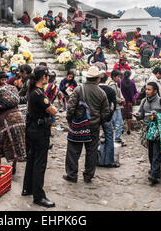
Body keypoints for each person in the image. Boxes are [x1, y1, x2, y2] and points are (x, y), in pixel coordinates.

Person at [64, 66, 110, 183]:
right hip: (93, 127)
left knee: (73, 151)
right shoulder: (101, 93)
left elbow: (70, 107)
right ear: (98, 79)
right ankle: (88, 176)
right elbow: (106, 112)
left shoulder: (79, 90)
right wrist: (99, 122)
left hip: (78, 125)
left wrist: (70, 120)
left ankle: (72, 175)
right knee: (92, 152)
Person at [22, 65, 57, 208]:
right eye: (47, 76)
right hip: (39, 131)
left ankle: (27, 188)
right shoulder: (39, 93)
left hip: (31, 129)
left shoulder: (32, 90)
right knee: (39, 163)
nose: (48, 78)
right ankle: (38, 196)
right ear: (44, 77)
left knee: (31, 159)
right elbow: (53, 110)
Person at [134, 82, 161, 185]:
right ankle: (155, 170)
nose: (147, 91)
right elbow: (141, 114)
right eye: (146, 89)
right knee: (150, 152)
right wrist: (137, 115)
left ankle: (154, 175)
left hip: (158, 129)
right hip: (148, 129)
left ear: (155, 91)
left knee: (156, 152)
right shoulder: (144, 101)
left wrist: (158, 116)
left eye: (149, 90)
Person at [99, 73, 119, 167]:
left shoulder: (95, 89)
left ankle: (95, 160)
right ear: (107, 80)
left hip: (95, 118)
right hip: (107, 118)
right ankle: (108, 161)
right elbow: (113, 105)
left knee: (94, 138)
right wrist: (110, 115)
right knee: (109, 137)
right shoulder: (110, 90)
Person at [108, 70, 125, 145]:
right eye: (118, 77)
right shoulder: (112, 85)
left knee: (114, 122)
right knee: (118, 123)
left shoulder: (114, 84)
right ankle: (117, 138)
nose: (119, 78)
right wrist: (120, 101)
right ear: (114, 77)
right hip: (116, 106)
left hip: (116, 106)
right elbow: (114, 96)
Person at [120, 70, 139, 135]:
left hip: (122, 102)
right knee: (129, 116)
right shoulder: (132, 83)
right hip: (129, 103)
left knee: (122, 116)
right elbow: (135, 92)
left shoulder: (120, 82)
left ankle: (121, 129)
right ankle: (128, 129)